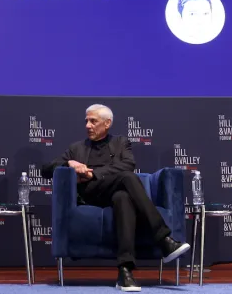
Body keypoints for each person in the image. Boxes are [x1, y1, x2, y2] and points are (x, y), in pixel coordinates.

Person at [43, 104, 190, 292]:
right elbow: (45, 169)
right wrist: (68, 162)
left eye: (93, 121)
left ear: (107, 123)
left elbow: (128, 163)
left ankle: (125, 271)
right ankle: (163, 239)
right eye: (86, 121)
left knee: (123, 198)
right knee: (127, 177)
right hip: (91, 195)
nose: (88, 125)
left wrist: (93, 173)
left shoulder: (121, 142)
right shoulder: (76, 148)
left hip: (114, 192)